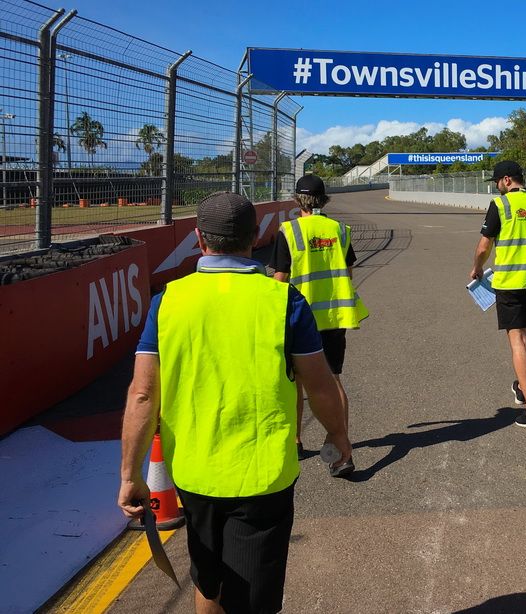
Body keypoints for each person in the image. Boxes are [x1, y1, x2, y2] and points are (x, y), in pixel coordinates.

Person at [118, 192, 353, 613]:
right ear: (256, 235)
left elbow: (142, 394)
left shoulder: (168, 300)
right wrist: (339, 437)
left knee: (209, 584)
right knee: (253, 600)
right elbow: (320, 385)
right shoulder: (284, 301)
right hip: (261, 475)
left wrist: (129, 474)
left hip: (194, 473)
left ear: (198, 239)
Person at [272, 174, 367, 461]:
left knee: (296, 384)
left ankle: (297, 441)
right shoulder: (339, 229)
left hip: (300, 319)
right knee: (333, 380)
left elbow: (279, 279)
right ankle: (341, 444)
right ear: (324, 199)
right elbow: (348, 271)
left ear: (297, 200)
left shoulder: (289, 231)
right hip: (336, 316)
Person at [469, 160, 526, 430]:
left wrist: (476, 268)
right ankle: (523, 389)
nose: (497, 188)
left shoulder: (501, 205)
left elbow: (484, 245)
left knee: (517, 340)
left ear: (507, 180)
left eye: (497, 182)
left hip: (510, 281)